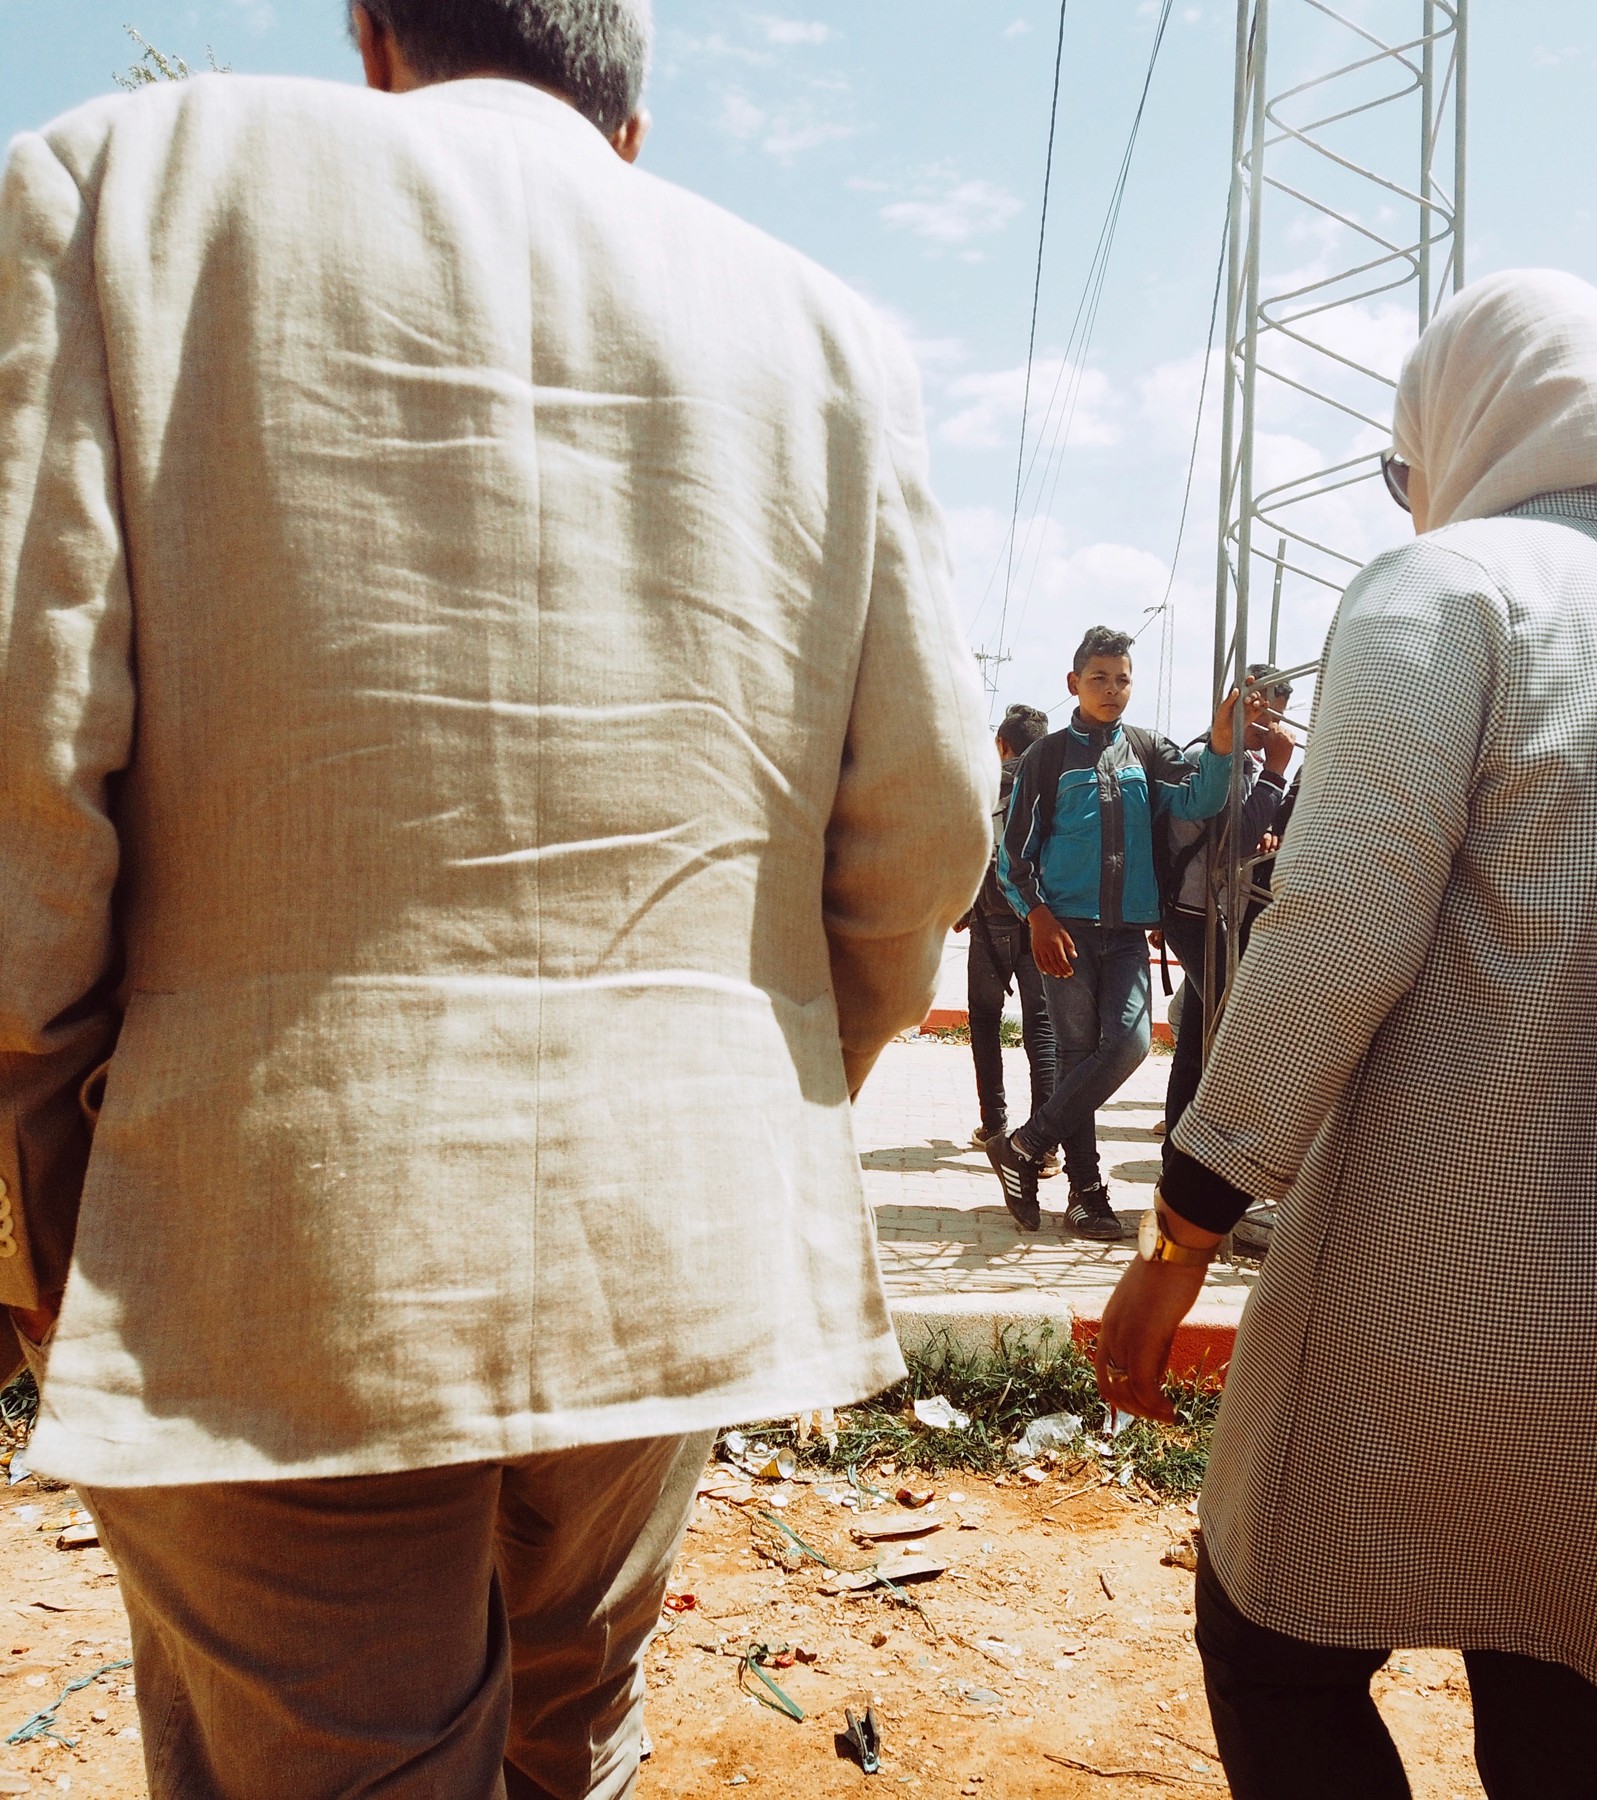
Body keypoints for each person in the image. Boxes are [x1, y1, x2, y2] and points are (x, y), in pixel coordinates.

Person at [0, 4, 991, 1793]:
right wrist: (744, 1096)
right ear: (636, 109)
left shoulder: (128, 190)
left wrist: (49, 1206)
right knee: (575, 1720)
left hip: (266, 1231)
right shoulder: (830, 333)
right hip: (674, 1226)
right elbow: (921, 828)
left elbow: (23, 772)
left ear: (375, 33)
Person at [1093, 270, 1597, 1799]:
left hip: (1440, 1290)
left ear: (1472, 420)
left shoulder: (1451, 591)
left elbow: (1340, 933)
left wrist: (1180, 1236)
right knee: (1592, 1709)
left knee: (1268, 1636)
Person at [990, 628, 1243, 1241]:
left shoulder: (1148, 750)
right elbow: (1011, 858)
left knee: (1127, 1046)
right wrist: (1038, 917)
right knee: (1077, 1055)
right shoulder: (1045, 759)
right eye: (1099, 677)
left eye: (1122, 678)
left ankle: (1023, 1146)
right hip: (1064, 933)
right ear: (1073, 683)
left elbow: (1200, 802)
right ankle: (1086, 1193)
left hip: (1128, 932)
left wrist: (1221, 743)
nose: (1112, 689)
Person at [1157, 664, 1298, 1142]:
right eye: (1267, 717)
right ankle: (1205, 1147)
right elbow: (1232, 841)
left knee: (1197, 1041)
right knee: (1226, 1026)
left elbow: (1245, 831)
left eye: (1279, 717)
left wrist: (1269, 822)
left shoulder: (1246, 764)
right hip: (1194, 914)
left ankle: (1178, 1153)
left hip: (1212, 913)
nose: (1275, 729)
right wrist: (1277, 773)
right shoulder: (1212, 757)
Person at [958, 703, 1062, 1167]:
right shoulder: (1054, 784)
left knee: (984, 1021)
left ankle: (995, 1124)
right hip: (1040, 920)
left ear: (1002, 745)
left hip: (989, 922)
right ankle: (1043, 1143)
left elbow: (963, 849)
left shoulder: (985, 785)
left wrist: (962, 906)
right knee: (1042, 1028)